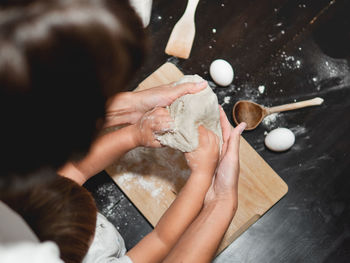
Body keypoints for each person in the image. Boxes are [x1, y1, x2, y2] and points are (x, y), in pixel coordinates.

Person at [0, 0, 247, 262]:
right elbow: (161, 240)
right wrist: (214, 192)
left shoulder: (26, 200)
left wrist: (133, 133)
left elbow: (76, 171)